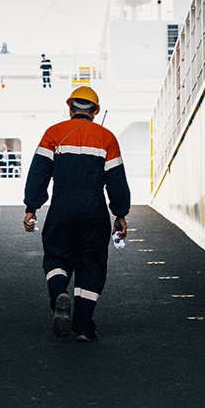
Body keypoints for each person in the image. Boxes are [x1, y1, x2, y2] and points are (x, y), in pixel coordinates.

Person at [23, 86, 131, 342]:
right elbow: (116, 180)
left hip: (62, 206)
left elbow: (38, 173)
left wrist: (31, 207)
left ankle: (60, 292)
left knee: (56, 256)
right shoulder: (107, 138)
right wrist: (120, 213)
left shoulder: (54, 133)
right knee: (91, 263)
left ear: (70, 108)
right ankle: (83, 327)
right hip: (94, 210)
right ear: (95, 111)